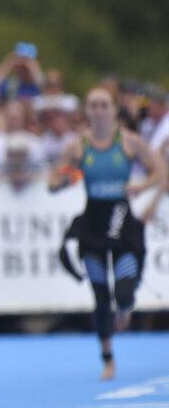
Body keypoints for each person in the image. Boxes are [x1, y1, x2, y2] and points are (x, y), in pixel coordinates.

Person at [50, 85, 167, 380]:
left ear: (114, 110)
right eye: (94, 105)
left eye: (104, 105)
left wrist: (144, 190)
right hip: (93, 223)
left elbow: (160, 170)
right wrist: (64, 180)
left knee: (124, 291)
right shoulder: (78, 146)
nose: (99, 111)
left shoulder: (128, 142)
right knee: (100, 296)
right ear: (87, 111)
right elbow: (52, 181)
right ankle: (107, 357)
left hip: (122, 221)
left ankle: (125, 309)